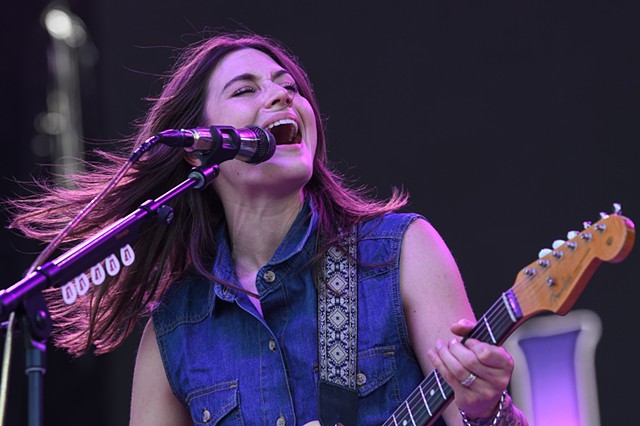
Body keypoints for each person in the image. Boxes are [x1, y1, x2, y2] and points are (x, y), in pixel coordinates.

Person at [9, 32, 528, 425]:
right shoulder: (174, 331)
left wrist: (488, 409)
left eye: (290, 87)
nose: (283, 97)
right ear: (199, 146)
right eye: (245, 89)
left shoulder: (399, 252)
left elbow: (479, 415)